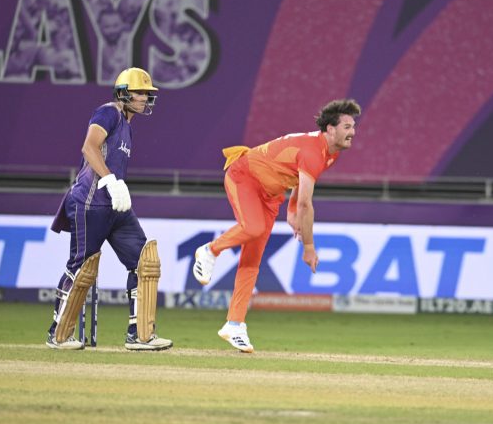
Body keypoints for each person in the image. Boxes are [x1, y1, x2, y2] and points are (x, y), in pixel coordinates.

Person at [193, 99, 362, 352]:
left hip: (270, 195)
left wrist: (291, 210)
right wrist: (308, 247)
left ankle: (234, 324)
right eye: (347, 127)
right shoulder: (314, 152)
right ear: (330, 129)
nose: (353, 132)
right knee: (253, 228)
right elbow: (306, 204)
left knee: (252, 259)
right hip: (244, 177)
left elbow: (299, 181)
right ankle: (210, 250)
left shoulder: (330, 153)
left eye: (353, 126)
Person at [46, 67, 173, 351]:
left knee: (145, 263)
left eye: (147, 93)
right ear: (123, 93)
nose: (145, 98)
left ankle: (140, 335)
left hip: (116, 206)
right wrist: (111, 181)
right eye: (140, 92)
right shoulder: (109, 112)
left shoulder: (127, 126)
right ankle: (58, 334)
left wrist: (116, 189)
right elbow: (89, 147)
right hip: (90, 201)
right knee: (81, 269)